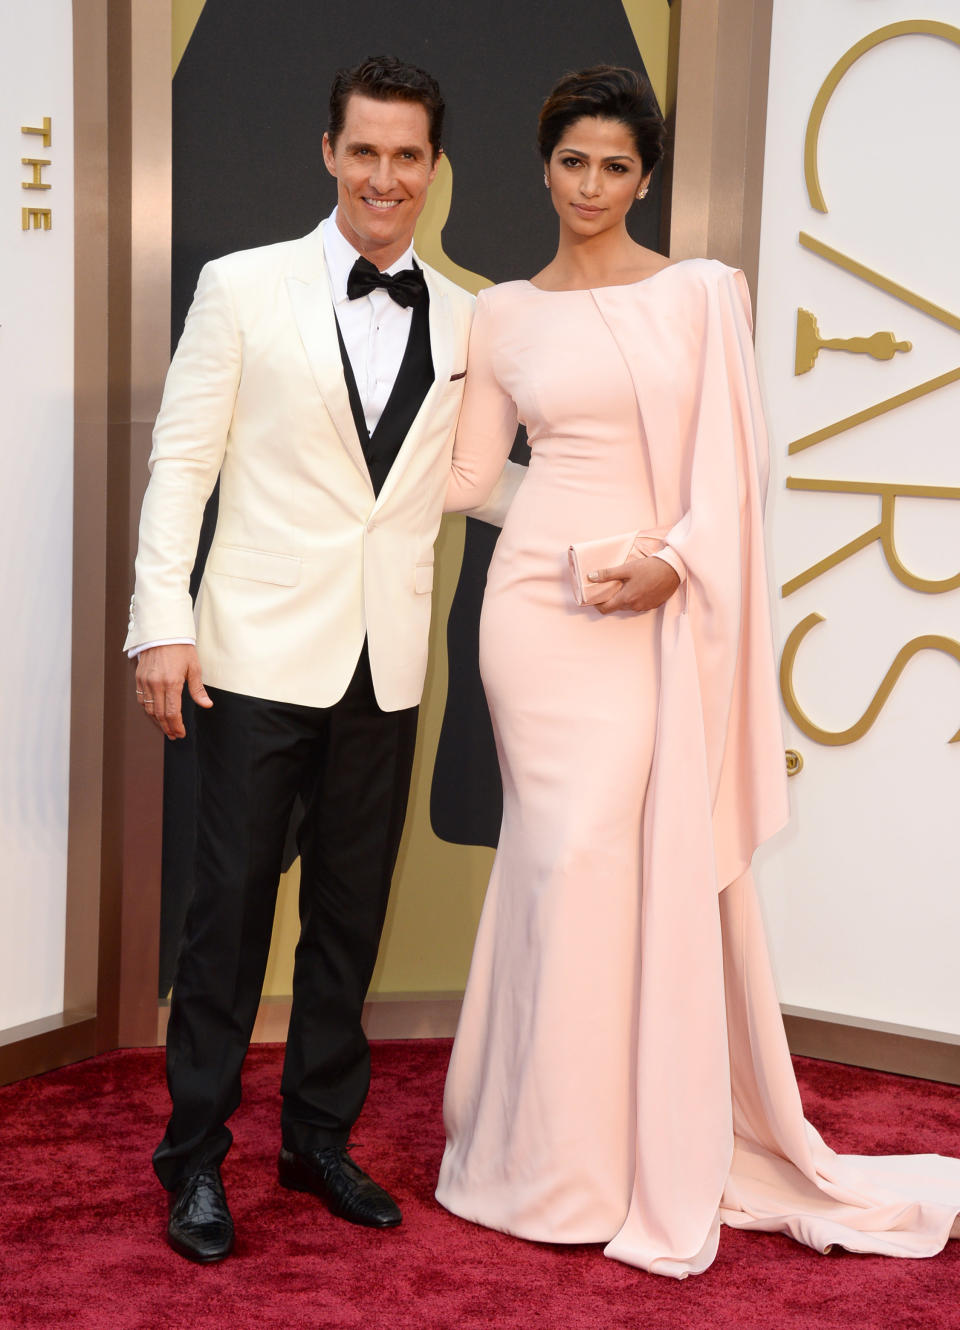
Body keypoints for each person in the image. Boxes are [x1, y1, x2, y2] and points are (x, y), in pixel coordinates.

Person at [435, 65, 960, 1278]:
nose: (592, 186)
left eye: (617, 166)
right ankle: (536, 1157)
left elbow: (740, 468)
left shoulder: (700, 294)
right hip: (537, 611)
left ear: (647, 176)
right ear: (542, 162)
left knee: (613, 864)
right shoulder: (503, 312)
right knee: (557, 857)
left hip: (655, 608)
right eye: (574, 161)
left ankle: (612, 1149)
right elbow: (471, 482)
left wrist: (671, 560)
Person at [125, 55, 514, 1264]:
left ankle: (316, 1138)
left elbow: (465, 481)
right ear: (328, 152)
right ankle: (195, 1159)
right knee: (227, 919)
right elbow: (183, 461)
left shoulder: (470, 315)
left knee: (350, 917)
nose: (385, 175)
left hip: (383, 665)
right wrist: (161, 619)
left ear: (435, 170)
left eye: (408, 155)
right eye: (365, 150)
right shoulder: (241, 286)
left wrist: (617, 515)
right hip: (246, 656)